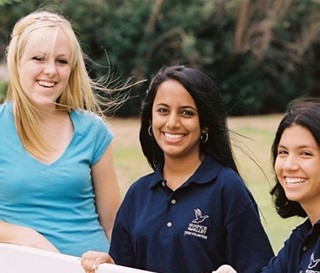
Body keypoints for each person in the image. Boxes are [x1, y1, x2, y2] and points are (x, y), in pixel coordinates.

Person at [81, 65, 274, 273]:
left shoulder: (228, 190)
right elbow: (125, 268)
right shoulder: (138, 195)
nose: (172, 123)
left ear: (205, 124)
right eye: (163, 111)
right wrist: (109, 267)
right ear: (150, 119)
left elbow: (258, 268)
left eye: (187, 113)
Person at [0, 10, 122, 257]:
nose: (51, 71)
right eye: (38, 58)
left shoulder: (93, 131)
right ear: (17, 61)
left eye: (62, 61)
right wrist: (24, 236)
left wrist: (114, 261)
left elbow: (113, 226)